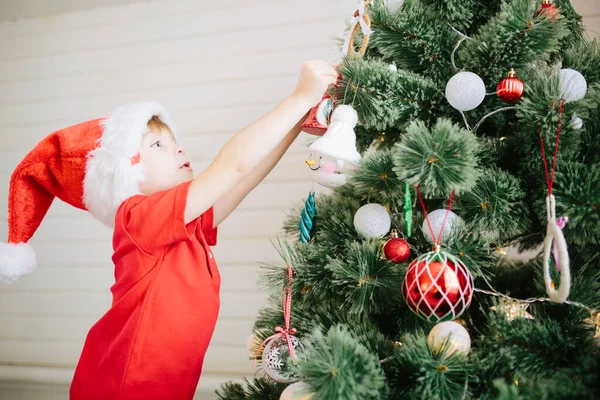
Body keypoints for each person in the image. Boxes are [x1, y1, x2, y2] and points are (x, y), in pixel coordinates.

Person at [0, 61, 338, 400]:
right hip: (124, 386)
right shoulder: (138, 216)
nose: (178, 148)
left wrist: (296, 123)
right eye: (157, 145)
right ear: (122, 175)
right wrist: (297, 99)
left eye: (174, 142)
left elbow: (245, 178)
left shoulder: (186, 225)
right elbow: (233, 166)